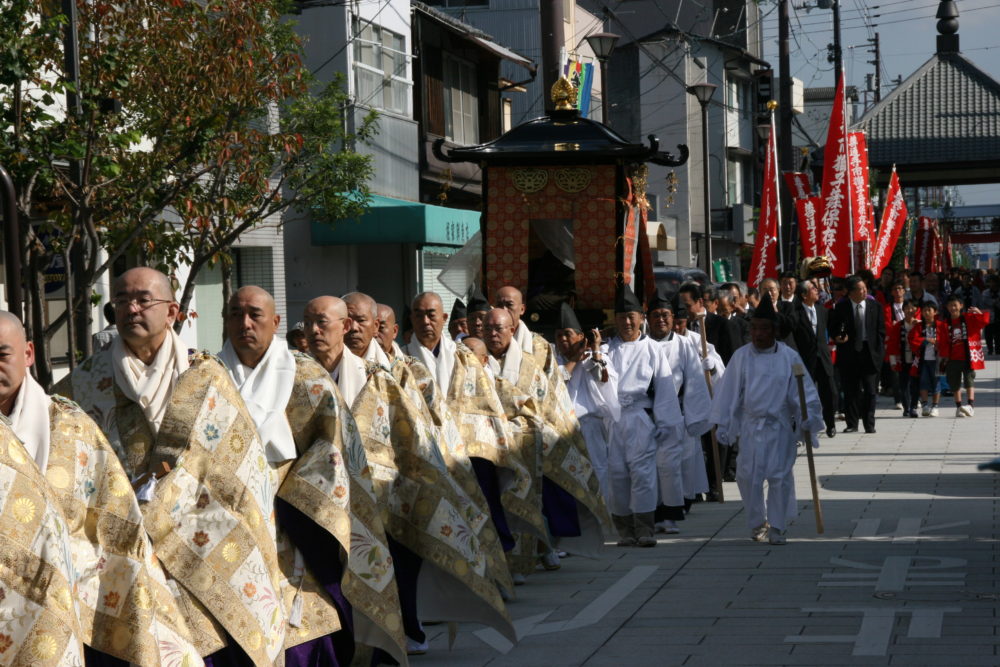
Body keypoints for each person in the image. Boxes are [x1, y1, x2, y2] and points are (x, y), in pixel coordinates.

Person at [55, 268, 291, 664]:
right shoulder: (82, 384)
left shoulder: (205, 375)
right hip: (124, 540)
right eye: (122, 300)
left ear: (172, 311)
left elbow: (241, 465)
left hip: (205, 536)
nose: (132, 308)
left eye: (144, 299)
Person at [219, 286, 405, 665]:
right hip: (225, 518)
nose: (245, 323)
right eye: (235, 314)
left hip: (295, 518)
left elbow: (336, 449)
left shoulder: (308, 378)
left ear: (275, 323)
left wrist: (295, 496)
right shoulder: (208, 377)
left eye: (255, 314)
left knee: (306, 627)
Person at [1, 311, 200, 665]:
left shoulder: (71, 427)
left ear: (28, 353)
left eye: (2, 355)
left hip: (73, 595)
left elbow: (115, 519)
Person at [403, 292, 541, 581]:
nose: (426, 320)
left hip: (471, 448)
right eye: (418, 314)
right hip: (426, 451)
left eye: (431, 314)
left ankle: (496, 571)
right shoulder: (402, 361)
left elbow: (488, 395)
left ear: (444, 319)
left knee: (485, 507)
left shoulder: (465, 357)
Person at [483, 308, 609, 566]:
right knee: (500, 502)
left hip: (528, 441)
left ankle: (539, 549)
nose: (493, 334)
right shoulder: (474, 360)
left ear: (513, 327)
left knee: (532, 498)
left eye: (499, 329)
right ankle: (509, 560)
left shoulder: (532, 359)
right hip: (490, 441)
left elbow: (549, 398)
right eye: (488, 329)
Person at [710, 292, 824, 545]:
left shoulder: (789, 357)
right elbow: (728, 393)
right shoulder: (741, 356)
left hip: (779, 426)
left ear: (774, 330)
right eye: (755, 328)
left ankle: (778, 526)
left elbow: (803, 393)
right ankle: (757, 522)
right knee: (748, 476)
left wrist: (808, 419)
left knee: (779, 476)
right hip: (751, 427)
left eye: (764, 328)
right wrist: (724, 422)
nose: (758, 333)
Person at [603, 285, 684, 547]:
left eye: (632, 317)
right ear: (615, 320)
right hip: (614, 417)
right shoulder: (606, 350)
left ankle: (645, 527)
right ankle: (624, 529)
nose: (627, 322)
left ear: (641, 318)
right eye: (622, 317)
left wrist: (664, 423)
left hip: (640, 417)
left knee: (643, 473)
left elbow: (664, 388)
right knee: (616, 473)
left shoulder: (652, 349)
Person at [645, 291, 713, 529]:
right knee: (649, 466)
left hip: (677, 413)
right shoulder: (642, 344)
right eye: (655, 316)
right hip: (646, 415)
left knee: (673, 466)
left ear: (673, 318)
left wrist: (693, 417)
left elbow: (694, 381)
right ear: (647, 318)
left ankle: (672, 513)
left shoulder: (683, 345)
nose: (660, 320)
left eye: (665, 315)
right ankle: (652, 513)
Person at [553, 302, 619, 503]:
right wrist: (572, 360)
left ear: (581, 337)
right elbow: (554, 382)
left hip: (589, 424)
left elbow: (603, 377)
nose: (563, 339)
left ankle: (604, 512)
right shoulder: (551, 359)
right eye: (559, 335)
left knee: (598, 468)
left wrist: (595, 349)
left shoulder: (592, 357)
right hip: (562, 427)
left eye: (568, 334)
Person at [777, 279, 838, 438]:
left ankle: (830, 424)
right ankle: (806, 425)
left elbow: (832, 330)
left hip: (823, 359)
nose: (817, 291)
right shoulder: (796, 313)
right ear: (804, 295)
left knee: (830, 393)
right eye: (813, 289)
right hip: (805, 360)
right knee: (805, 396)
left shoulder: (822, 311)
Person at [830, 276, 885, 434]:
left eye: (865, 287)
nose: (864, 291)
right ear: (850, 292)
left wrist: (879, 353)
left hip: (869, 353)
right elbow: (833, 328)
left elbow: (880, 331)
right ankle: (852, 423)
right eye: (860, 289)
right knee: (850, 390)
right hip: (849, 353)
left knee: (870, 390)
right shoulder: (841, 308)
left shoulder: (875, 306)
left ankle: (869, 424)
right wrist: (838, 337)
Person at [303, 295, 367, 406]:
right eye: (307, 323)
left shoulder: (371, 376)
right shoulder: (294, 372)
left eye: (322, 321)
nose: (313, 330)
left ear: (345, 326)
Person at [939, 294, 989, 417]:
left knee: (969, 381)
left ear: (961, 305)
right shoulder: (945, 324)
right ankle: (958, 406)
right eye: (950, 305)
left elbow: (983, 322)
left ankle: (971, 406)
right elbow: (943, 342)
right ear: (946, 307)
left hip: (968, 357)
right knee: (954, 384)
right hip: (952, 358)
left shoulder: (968, 318)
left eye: (955, 305)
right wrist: (944, 358)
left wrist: (978, 312)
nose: (953, 308)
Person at [887, 298, 922, 418]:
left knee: (915, 384)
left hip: (916, 360)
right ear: (903, 310)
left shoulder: (920, 324)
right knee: (904, 385)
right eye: (907, 308)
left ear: (916, 309)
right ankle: (907, 407)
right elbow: (892, 344)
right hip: (902, 359)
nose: (910, 310)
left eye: (912, 308)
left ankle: (913, 407)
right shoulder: (898, 326)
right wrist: (892, 360)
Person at [910, 300, 943, 417]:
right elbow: (912, 339)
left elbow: (946, 341)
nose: (926, 313)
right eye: (924, 310)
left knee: (936, 382)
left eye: (929, 310)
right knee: (923, 382)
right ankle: (925, 405)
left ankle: (935, 406)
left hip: (938, 360)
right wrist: (926, 340)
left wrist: (939, 344)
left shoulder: (940, 325)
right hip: (923, 360)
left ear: (935, 312)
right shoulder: (919, 326)